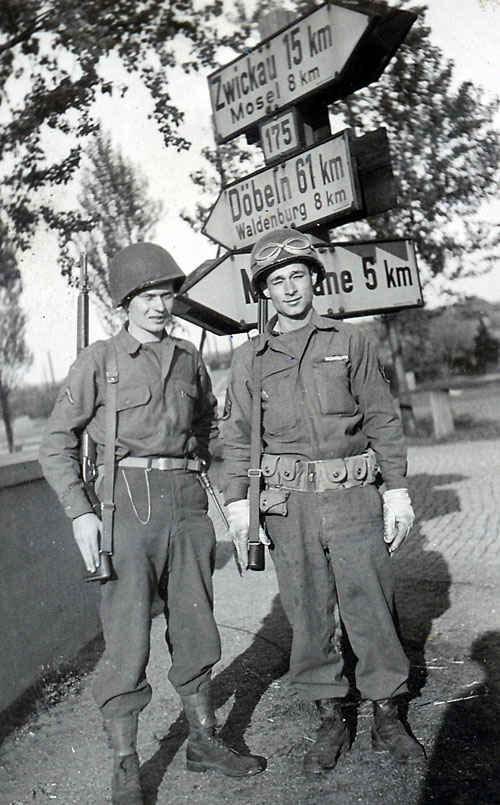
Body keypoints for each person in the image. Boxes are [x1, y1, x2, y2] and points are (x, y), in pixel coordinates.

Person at [39, 243, 265, 805]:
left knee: (196, 627)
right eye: (148, 296)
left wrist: (234, 503)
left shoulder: (189, 358)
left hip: (187, 503)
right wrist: (81, 513)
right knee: (126, 640)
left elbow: (211, 432)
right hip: (124, 507)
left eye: (167, 294)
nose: (160, 306)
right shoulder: (100, 361)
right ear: (126, 303)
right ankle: (125, 765)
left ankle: (205, 740)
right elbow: (55, 442)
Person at [222, 228, 424, 776]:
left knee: (371, 606)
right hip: (289, 509)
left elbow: (382, 418)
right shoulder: (250, 360)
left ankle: (387, 711)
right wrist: (240, 506)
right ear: (264, 293)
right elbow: (237, 437)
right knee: (309, 611)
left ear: (314, 280)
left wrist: (397, 493)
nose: (289, 289)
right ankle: (330, 714)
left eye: (297, 276)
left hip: (354, 497)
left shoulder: (350, 341)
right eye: (276, 281)